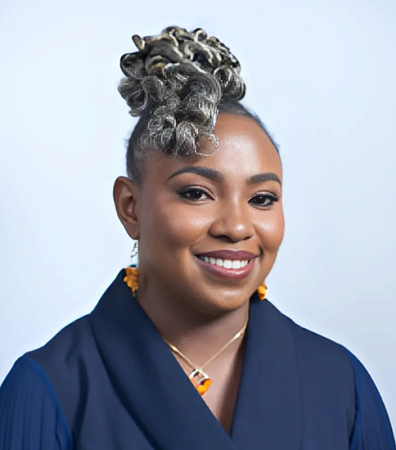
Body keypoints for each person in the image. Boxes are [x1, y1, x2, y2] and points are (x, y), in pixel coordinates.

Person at [0, 25, 394, 450]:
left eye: (262, 198)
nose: (237, 226)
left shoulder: (341, 384)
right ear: (130, 207)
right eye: (196, 193)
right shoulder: (48, 390)